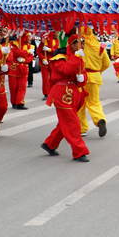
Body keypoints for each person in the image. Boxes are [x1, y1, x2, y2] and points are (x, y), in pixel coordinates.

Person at [41, 34, 90, 162]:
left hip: (74, 94)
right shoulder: (60, 58)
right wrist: (77, 57)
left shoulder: (79, 57)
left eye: (83, 43)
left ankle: (49, 144)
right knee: (72, 124)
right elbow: (66, 69)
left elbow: (83, 74)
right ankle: (79, 151)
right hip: (63, 94)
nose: (82, 46)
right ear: (72, 45)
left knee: (65, 123)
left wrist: (82, 78)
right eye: (79, 43)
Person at [79, 26, 111, 137]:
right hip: (95, 77)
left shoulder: (79, 45)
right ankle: (100, 119)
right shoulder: (99, 47)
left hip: (81, 77)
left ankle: (82, 128)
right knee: (94, 102)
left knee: (80, 103)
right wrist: (97, 71)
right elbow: (107, 63)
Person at [7, 33, 33, 109]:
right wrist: (28, 52)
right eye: (29, 37)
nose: (30, 39)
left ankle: (20, 103)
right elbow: (16, 52)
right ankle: (14, 102)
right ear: (25, 37)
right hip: (14, 69)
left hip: (24, 69)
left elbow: (31, 57)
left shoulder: (30, 46)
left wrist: (24, 60)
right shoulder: (15, 44)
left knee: (22, 86)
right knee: (13, 87)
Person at [38, 31, 60, 100]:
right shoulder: (45, 40)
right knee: (45, 79)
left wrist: (50, 50)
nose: (58, 34)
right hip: (45, 61)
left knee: (53, 78)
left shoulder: (59, 41)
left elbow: (58, 51)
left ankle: (53, 92)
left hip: (53, 61)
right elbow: (39, 50)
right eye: (57, 32)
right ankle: (46, 93)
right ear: (53, 33)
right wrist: (43, 59)